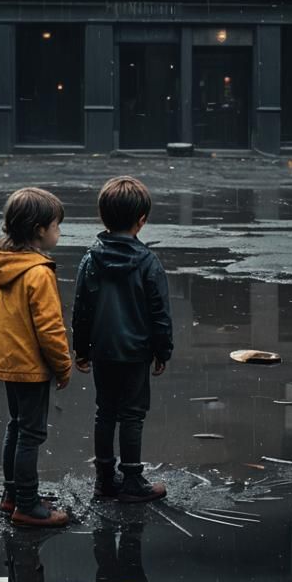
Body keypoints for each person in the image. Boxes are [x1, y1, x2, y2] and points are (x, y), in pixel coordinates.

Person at [72, 176, 173, 503]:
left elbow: (82, 308)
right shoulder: (148, 262)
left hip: (102, 351)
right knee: (132, 414)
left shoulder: (91, 260)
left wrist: (82, 348)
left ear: (103, 217)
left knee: (105, 412)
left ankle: (104, 478)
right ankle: (132, 478)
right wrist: (162, 350)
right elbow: (159, 312)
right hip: (135, 352)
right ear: (141, 221)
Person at [0, 187, 72, 527]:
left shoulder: (1, 262)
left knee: (16, 427)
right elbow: (50, 328)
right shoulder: (38, 272)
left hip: (6, 360)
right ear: (39, 231)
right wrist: (62, 366)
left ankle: (12, 495)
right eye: (56, 226)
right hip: (31, 366)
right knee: (31, 433)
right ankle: (28, 505)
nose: (59, 232)